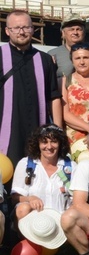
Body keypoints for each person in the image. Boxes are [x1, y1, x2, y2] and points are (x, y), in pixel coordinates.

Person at [0, 10, 63, 170]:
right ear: (7, 31)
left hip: (37, 126)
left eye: (26, 27)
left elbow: (53, 97)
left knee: (36, 171)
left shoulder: (45, 59)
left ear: (32, 29)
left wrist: (57, 130)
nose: (21, 32)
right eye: (16, 28)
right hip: (7, 128)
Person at [11, 124, 74, 222]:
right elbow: (14, 198)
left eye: (54, 142)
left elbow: (78, 200)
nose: (49, 147)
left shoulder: (71, 166)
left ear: (60, 143)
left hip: (62, 221)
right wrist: (30, 199)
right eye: (44, 142)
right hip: (33, 222)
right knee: (22, 209)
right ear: (38, 144)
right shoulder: (25, 164)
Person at [62, 42, 89, 162]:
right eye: (77, 58)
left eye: (86, 57)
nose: (82, 62)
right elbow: (64, 114)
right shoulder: (65, 81)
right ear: (72, 61)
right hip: (74, 139)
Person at [48, 14, 89, 79]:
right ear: (63, 33)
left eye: (79, 29)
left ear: (84, 32)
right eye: (71, 29)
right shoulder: (52, 55)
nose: (75, 32)